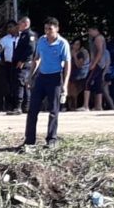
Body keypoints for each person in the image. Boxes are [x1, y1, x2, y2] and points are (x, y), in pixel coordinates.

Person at [22, 17, 71, 149]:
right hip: (41, 77)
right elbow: (36, 59)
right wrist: (30, 76)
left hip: (55, 78)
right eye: (46, 29)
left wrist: (64, 85)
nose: (47, 32)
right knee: (32, 110)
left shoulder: (62, 43)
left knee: (53, 111)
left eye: (50, 29)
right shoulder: (42, 41)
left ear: (57, 29)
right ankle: (29, 140)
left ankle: (51, 139)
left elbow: (67, 65)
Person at [9, 16, 38, 115]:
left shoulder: (30, 35)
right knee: (23, 83)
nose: (18, 26)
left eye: (20, 23)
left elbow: (30, 49)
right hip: (19, 63)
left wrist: (22, 60)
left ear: (25, 24)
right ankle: (26, 107)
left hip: (24, 64)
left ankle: (19, 107)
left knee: (20, 83)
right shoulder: (22, 35)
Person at [79, 25, 107, 111]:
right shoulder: (98, 38)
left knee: (87, 81)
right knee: (98, 84)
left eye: (90, 31)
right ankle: (99, 106)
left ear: (96, 30)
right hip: (102, 63)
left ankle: (86, 105)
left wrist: (93, 63)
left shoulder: (98, 38)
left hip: (97, 63)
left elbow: (100, 51)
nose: (89, 33)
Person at [0, 20, 18, 112]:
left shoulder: (22, 37)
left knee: (18, 84)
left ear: (16, 27)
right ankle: (9, 105)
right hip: (8, 64)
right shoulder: (4, 39)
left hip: (19, 64)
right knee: (9, 85)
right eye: (8, 27)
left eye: (11, 26)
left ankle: (18, 105)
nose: (9, 29)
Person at [67, 38, 89, 110]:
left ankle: (74, 106)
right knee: (68, 91)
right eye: (74, 44)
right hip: (70, 73)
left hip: (78, 75)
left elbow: (79, 65)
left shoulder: (81, 54)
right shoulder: (68, 52)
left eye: (77, 45)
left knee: (73, 92)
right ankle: (68, 106)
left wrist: (75, 56)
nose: (75, 46)